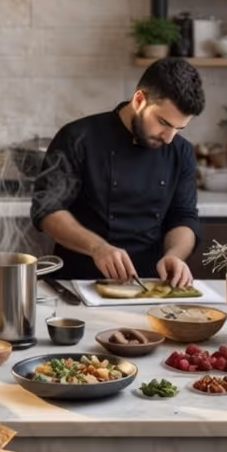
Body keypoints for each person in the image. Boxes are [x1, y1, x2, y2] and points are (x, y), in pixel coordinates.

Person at [31, 58, 204, 285]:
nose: (169, 137)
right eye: (163, 122)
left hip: (149, 283)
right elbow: (47, 210)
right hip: (79, 280)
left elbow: (183, 217)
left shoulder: (180, 152)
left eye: (178, 128)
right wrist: (97, 247)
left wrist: (174, 255)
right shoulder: (78, 137)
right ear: (139, 99)